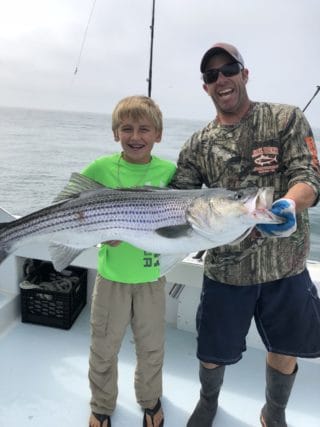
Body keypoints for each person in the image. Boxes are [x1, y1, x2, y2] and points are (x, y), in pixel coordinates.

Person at [169, 42, 320, 427]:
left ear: (244, 74)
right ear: (205, 87)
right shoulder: (197, 145)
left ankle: (275, 412)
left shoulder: (284, 119)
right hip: (225, 271)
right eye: (211, 75)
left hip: (285, 267)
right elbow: (176, 203)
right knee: (212, 352)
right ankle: (208, 401)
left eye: (229, 69)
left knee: (285, 349)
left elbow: (308, 176)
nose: (221, 79)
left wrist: (289, 205)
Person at [83, 95, 176, 427]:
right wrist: (98, 230)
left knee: (152, 349)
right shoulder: (100, 169)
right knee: (103, 348)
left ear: (158, 134)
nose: (135, 137)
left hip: (152, 279)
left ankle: (150, 401)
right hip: (111, 279)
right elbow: (69, 210)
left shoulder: (170, 173)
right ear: (115, 133)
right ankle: (102, 405)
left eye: (144, 129)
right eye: (127, 129)